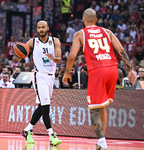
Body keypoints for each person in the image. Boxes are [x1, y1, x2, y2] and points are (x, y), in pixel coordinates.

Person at [62, 8, 137, 150]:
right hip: (113, 70)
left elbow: (72, 56)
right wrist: (130, 69)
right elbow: (121, 49)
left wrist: (67, 72)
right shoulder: (107, 32)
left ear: (84, 20)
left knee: (94, 110)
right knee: (102, 107)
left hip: (98, 71)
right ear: (96, 20)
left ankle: (102, 142)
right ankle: (101, 141)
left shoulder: (80, 34)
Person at [20, 20, 62, 146]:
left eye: (43, 27)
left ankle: (27, 130)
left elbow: (59, 60)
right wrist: (19, 51)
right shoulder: (32, 42)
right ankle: (52, 135)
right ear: (37, 29)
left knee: (42, 106)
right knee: (46, 106)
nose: (41, 29)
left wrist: (52, 58)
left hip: (51, 77)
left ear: (48, 28)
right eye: (39, 27)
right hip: (40, 76)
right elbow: (21, 52)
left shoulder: (55, 41)